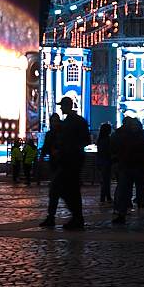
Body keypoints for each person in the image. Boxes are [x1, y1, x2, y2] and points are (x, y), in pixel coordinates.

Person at [111, 116, 144, 224]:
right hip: (128, 167)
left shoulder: (139, 138)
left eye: (135, 126)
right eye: (132, 125)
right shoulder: (128, 137)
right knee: (125, 192)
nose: (134, 127)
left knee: (143, 192)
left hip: (138, 167)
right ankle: (122, 214)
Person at [54, 97, 91, 229]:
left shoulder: (72, 122)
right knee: (70, 189)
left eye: (62, 106)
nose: (61, 108)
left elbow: (83, 140)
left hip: (71, 160)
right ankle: (77, 217)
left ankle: (77, 218)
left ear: (67, 106)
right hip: (73, 158)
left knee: (68, 189)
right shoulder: (76, 121)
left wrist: (71, 150)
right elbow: (86, 140)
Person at [39, 113, 64, 227]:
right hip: (54, 164)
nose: (54, 124)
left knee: (54, 190)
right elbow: (46, 146)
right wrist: (43, 155)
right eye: (52, 122)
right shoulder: (50, 134)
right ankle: (51, 216)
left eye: (55, 121)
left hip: (61, 164)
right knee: (57, 191)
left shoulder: (62, 133)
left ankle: (51, 216)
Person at [96, 123, 113, 205]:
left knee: (105, 180)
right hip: (106, 161)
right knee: (106, 181)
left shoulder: (100, 140)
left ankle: (108, 198)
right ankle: (103, 199)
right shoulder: (107, 140)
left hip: (100, 161)